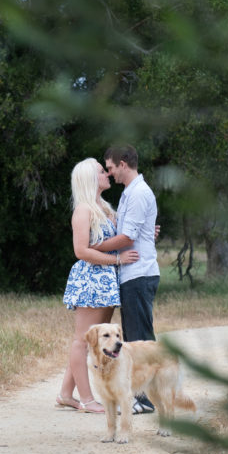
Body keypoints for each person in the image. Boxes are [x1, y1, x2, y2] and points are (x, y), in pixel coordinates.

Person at [58, 158, 139, 413]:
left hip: (106, 282)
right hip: (91, 280)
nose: (107, 174)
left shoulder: (104, 207)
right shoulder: (83, 210)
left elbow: (119, 238)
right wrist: (116, 259)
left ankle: (65, 394)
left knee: (93, 340)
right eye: (102, 171)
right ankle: (86, 399)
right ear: (90, 179)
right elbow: (81, 251)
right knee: (83, 341)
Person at [93, 144, 160, 414]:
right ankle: (142, 397)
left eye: (110, 167)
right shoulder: (130, 194)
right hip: (132, 274)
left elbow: (127, 238)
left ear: (122, 163)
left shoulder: (138, 193)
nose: (109, 173)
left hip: (139, 274)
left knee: (140, 339)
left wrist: (93, 249)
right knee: (134, 337)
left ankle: (145, 399)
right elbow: (134, 231)